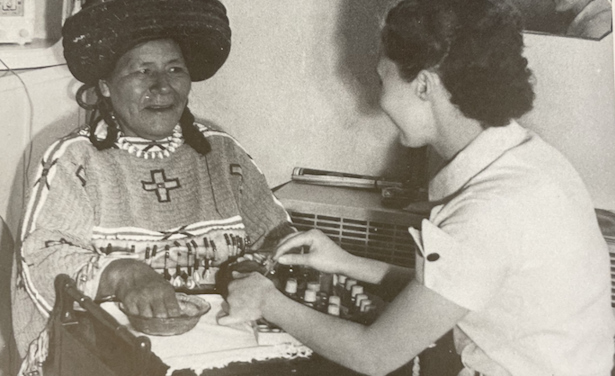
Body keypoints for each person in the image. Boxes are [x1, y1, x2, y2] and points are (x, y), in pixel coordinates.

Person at [219, 0, 615, 375]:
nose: (379, 98)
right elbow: (457, 291)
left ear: (423, 85)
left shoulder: (491, 208)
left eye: (382, 78)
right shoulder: (529, 161)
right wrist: (345, 262)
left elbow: (374, 355)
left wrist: (266, 300)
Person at [11, 0, 293, 374]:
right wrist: (124, 274)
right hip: (111, 354)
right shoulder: (75, 160)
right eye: (143, 71)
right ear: (106, 87)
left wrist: (254, 269)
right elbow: (42, 257)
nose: (162, 86)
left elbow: (277, 237)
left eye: (175, 69)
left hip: (226, 345)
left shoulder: (221, 151)